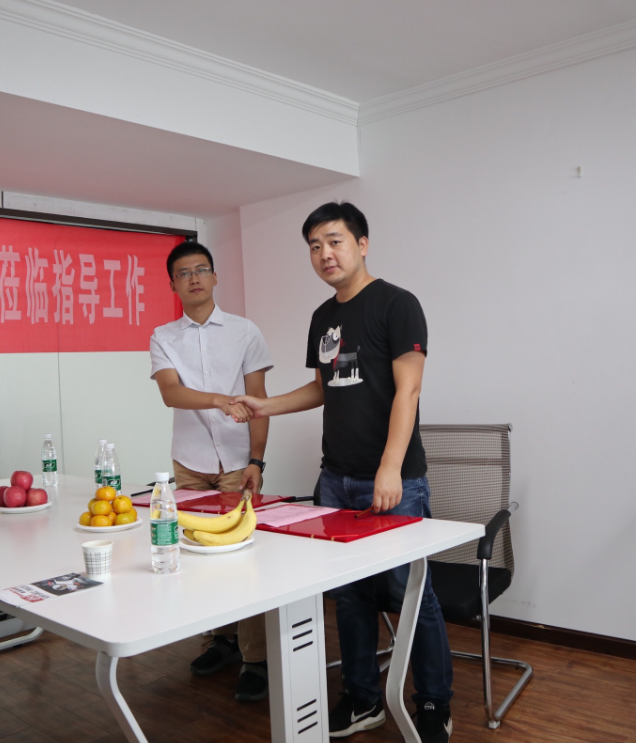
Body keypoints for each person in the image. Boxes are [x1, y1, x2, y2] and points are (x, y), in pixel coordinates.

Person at [230, 202, 453, 742]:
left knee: (409, 593)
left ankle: (433, 702)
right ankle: (362, 698)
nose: (324, 254)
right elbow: (322, 388)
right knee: (349, 594)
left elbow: (409, 391)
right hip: (335, 479)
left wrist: (389, 468)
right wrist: (265, 406)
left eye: (335, 241)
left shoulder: (398, 304)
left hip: (393, 480)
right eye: (314, 246)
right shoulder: (322, 317)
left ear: (362, 244)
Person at [149, 240, 273, 702]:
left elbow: (259, 402)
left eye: (201, 270)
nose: (194, 278)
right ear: (173, 284)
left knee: (245, 559)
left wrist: (257, 461)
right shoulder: (163, 336)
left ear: (215, 277)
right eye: (184, 273)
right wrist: (219, 399)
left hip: (238, 462)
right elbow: (171, 394)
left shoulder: (245, 331)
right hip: (190, 461)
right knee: (197, 553)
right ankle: (220, 641)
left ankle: (256, 658)